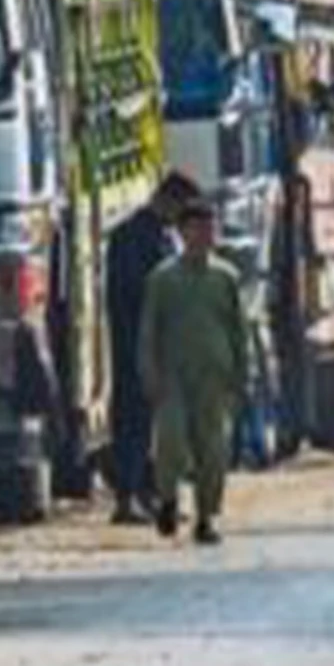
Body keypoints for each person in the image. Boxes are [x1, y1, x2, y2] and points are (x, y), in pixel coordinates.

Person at [138, 195, 246, 546]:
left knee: (212, 451)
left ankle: (207, 517)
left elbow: (238, 329)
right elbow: (149, 330)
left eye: (209, 228)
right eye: (195, 228)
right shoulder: (163, 279)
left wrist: (242, 375)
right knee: (170, 443)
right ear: (182, 233)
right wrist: (149, 373)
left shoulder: (226, 278)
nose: (203, 235)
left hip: (214, 375)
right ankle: (167, 498)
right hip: (173, 376)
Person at [103, 172, 197, 524]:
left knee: (152, 424)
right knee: (134, 420)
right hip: (136, 346)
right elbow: (136, 295)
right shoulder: (134, 237)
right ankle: (127, 498)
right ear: (168, 200)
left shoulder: (155, 236)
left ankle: (149, 494)